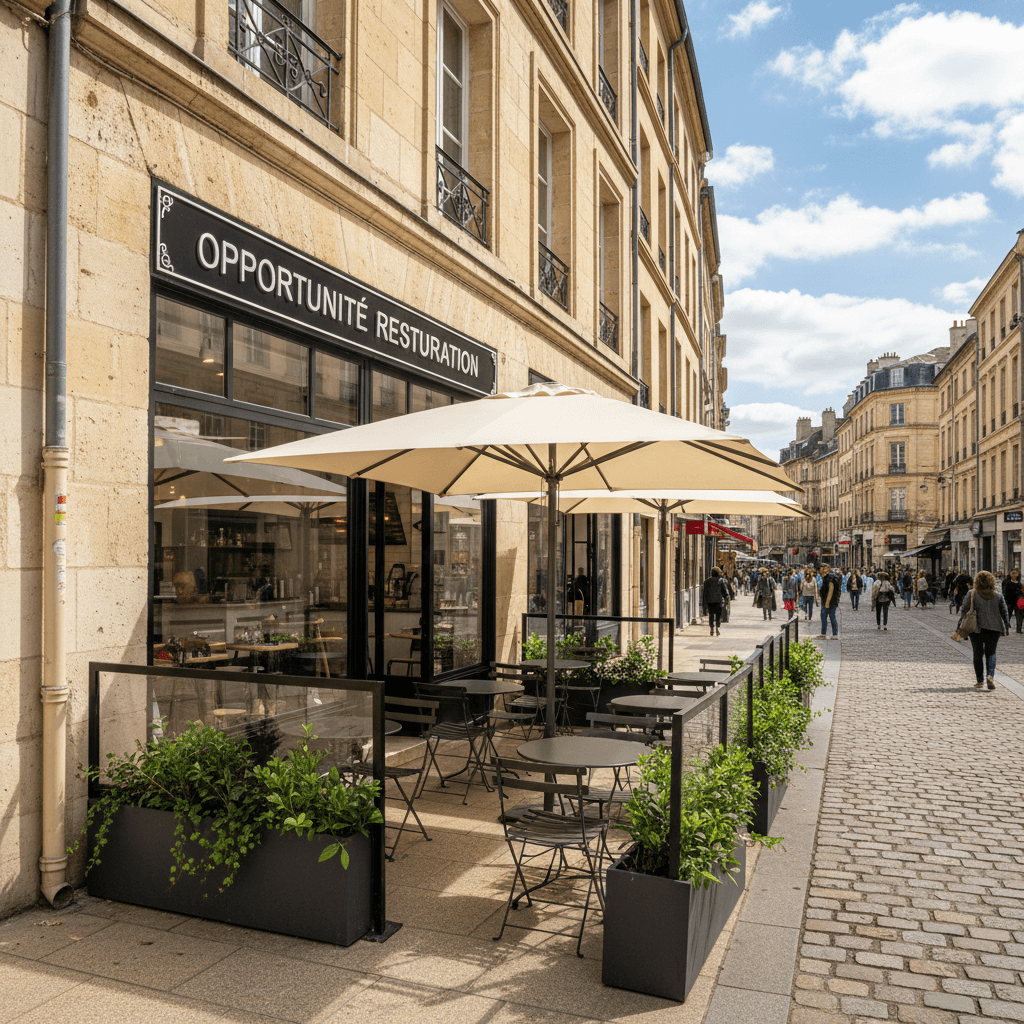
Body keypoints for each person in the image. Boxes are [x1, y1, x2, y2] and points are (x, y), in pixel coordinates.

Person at [956, 570, 1010, 690]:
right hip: (994, 628)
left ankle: (980, 681)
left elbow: (964, 610)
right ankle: (990, 675)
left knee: (978, 653)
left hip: (976, 628)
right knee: (991, 652)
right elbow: (1004, 611)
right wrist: (1006, 625)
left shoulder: (972, 593)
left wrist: (960, 625)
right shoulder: (998, 595)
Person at [818, 564, 843, 639]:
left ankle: (833, 634)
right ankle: (825, 634)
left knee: (830, 617)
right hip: (830, 601)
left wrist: (827, 602)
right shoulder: (826, 577)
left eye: (822, 569)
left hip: (829, 602)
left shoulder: (829, 578)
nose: (821, 571)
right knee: (826, 617)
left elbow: (830, 590)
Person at [702, 566, 727, 636]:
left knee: (711, 615)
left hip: (710, 601)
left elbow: (704, 593)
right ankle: (717, 627)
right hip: (718, 601)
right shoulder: (721, 581)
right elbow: (724, 591)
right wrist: (726, 598)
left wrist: (704, 603)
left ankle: (712, 628)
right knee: (718, 615)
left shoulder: (706, 581)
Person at [1003, 568, 1024, 633]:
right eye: (1013, 573)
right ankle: (1006, 628)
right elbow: (1004, 592)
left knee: (1019, 616)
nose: (1014, 575)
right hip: (1009, 601)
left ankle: (1019, 629)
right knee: (1008, 615)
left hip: (1017, 602)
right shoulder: (1006, 582)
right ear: (1010, 574)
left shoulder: (1019, 583)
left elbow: (1021, 593)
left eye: (1015, 573)